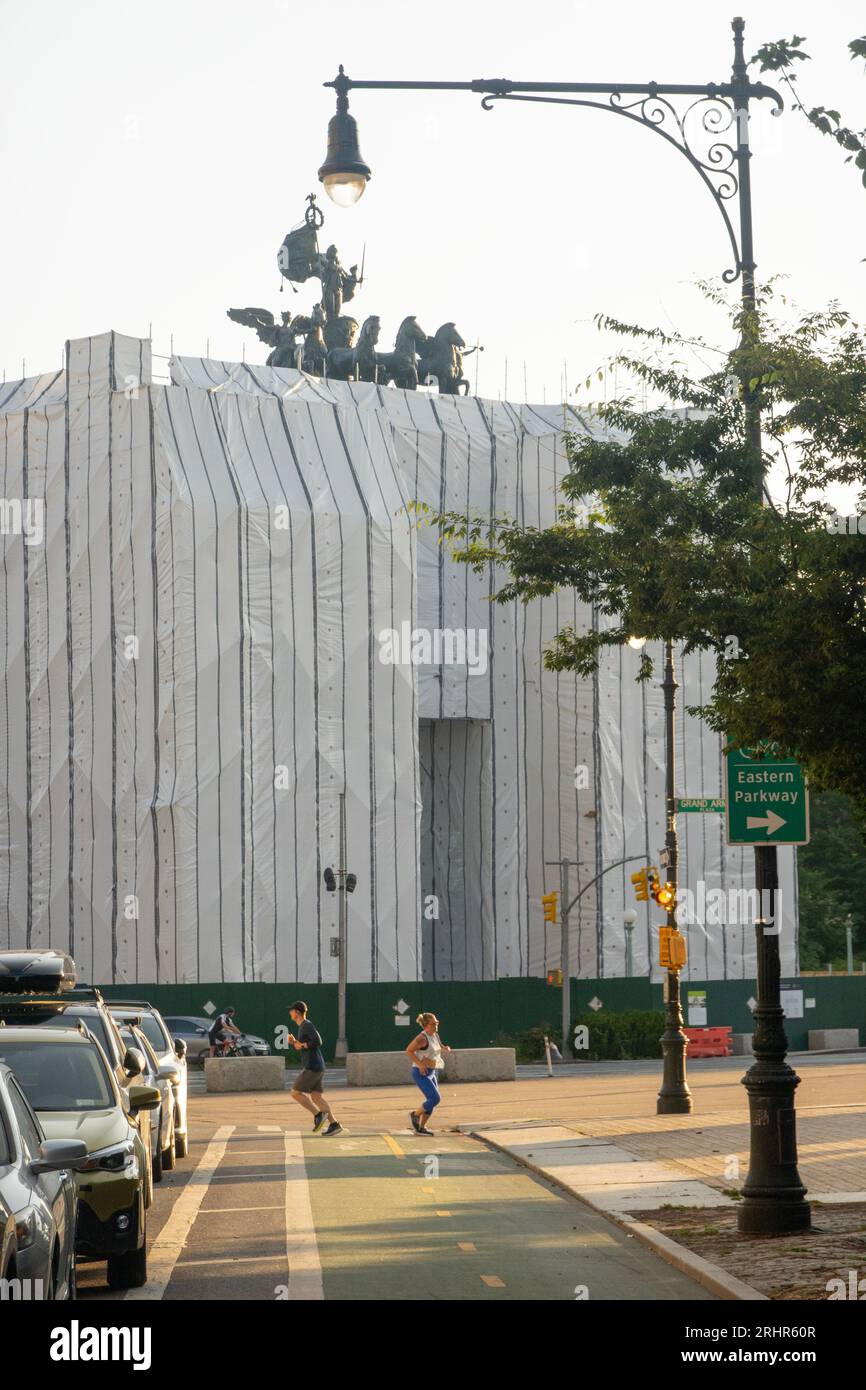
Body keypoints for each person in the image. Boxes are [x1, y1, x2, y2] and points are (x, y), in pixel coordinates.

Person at [286, 1001, 342, 1136]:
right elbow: (306, 1044)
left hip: (312, 1066)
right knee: (316, 1097)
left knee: (295, 1093)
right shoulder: (304, 1026)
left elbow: (318, 1041)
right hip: (317, 1065)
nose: (290, 1013)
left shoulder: (306, 1025)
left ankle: (318, 1115)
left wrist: (303, 1045)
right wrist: (295, 1042)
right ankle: (334, 1124)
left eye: (291, 1010)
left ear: (297, 1012)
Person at [406, 1012, 451, 1136]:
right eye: (433, 1024)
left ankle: (421, 1127)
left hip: (432, 1071)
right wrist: (420, 1065)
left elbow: (439, 1046)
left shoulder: (435, 1035)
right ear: (426, 1025)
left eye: (437, 1023)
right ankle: (414, 1114)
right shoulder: (422, 1038)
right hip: (421, 1072)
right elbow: (409, 1051)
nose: (436, 1025)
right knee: (435, 1098)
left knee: (431, 1101)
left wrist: (445, 1048)